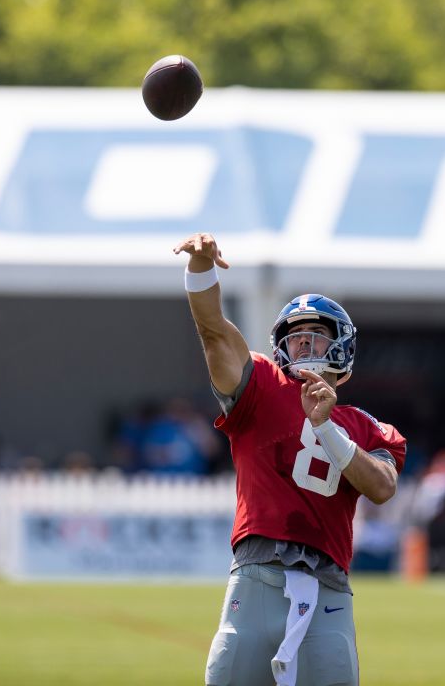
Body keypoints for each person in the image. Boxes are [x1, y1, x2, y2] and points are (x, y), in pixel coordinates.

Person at [174, 232, 407, 686]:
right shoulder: (261, 385)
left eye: (315, 337)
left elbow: (381, 487)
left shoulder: (365, 425)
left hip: (329, 589)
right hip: (257, 576)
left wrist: (326, 428)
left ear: (340, 348)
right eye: (296, 337)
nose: (302, 345)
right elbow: (214, 333)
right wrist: (200, 270)